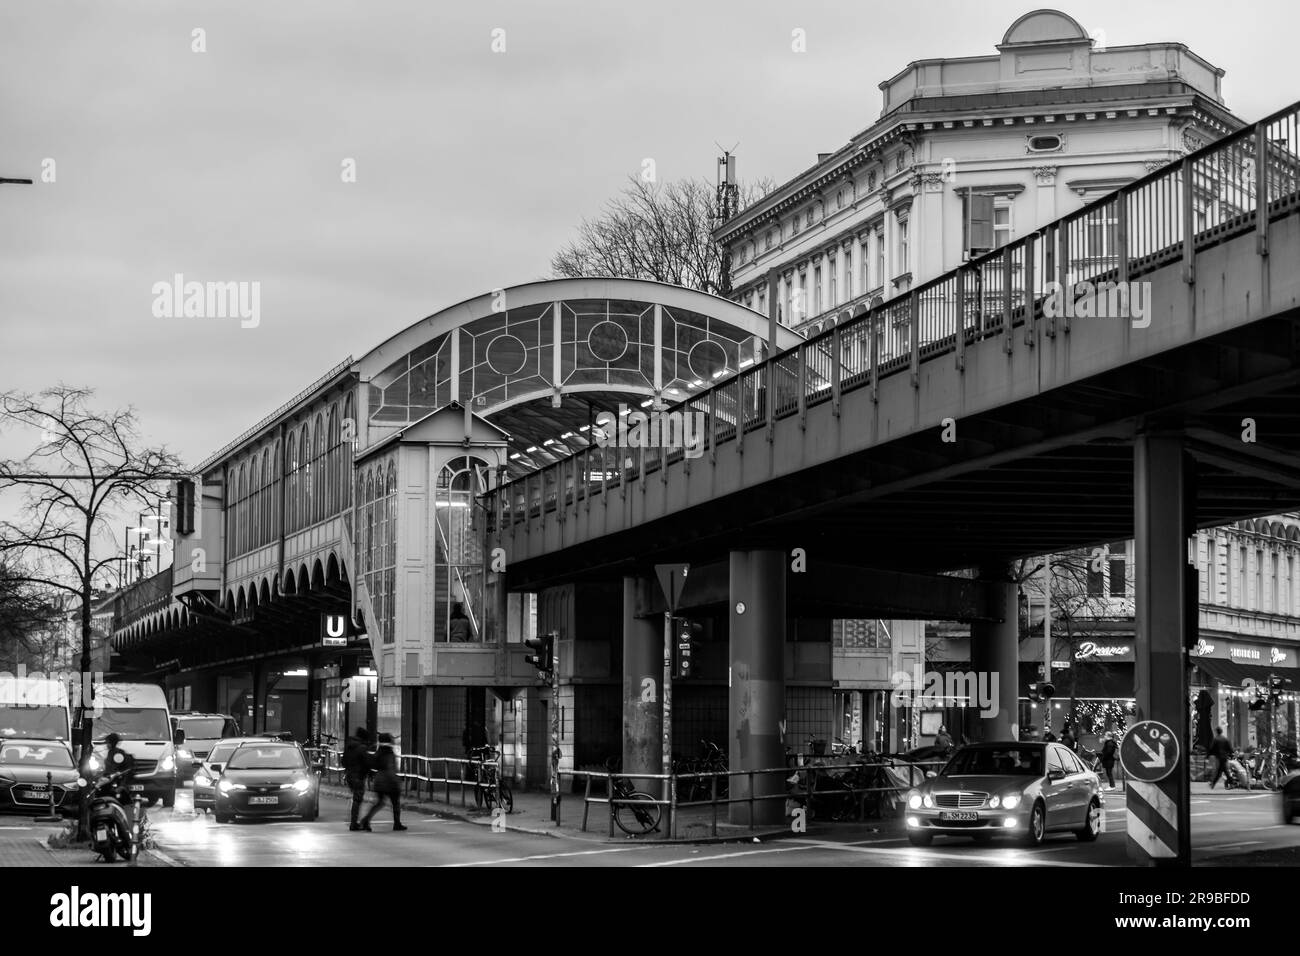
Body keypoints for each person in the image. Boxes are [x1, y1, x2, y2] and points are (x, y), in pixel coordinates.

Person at [360, 733, 406, 831]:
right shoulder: (389, 753)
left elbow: (373, 764)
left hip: (379, 780)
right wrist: (396, 781)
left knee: (379, 803)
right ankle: (397, 823)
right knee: (395, 803)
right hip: (389, 781)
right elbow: (391, 768)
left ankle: (366, 820)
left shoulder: (379, 752)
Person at [342, 726, 372, 831]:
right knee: (357, 799)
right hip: (358, 776)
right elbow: (367, 763)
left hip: (350, 775)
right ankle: (353, 823)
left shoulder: (349, 746)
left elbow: (343, 762)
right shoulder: (362, 748)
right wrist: (367, 774)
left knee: (355, 798)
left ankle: (353, 821)